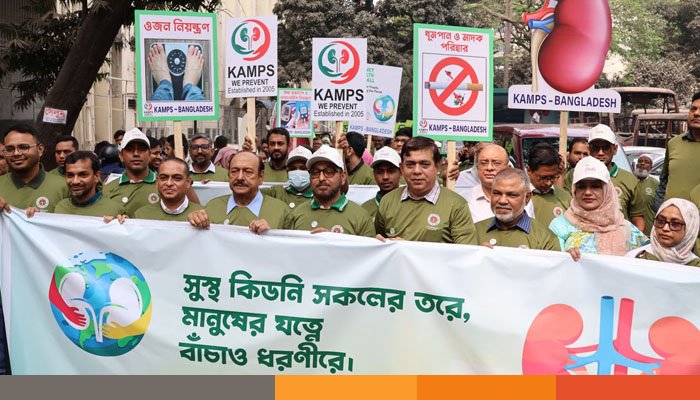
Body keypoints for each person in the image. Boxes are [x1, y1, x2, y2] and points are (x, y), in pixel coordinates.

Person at [375, 137, 477, 244]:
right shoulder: (387, 202)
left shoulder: (456, 205)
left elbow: (467, 251)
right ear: (401, 168)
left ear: (437, 167)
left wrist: (408, 249)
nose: (417, 171)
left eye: (424, 165)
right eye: (410, 165)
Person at [549, 157, 648, 261]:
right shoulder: (559, 227)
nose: (587, 192)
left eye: (595, 186)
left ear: (607, 190)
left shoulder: (625, 227)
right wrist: (564, 258)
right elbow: (551, 263)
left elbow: (646, 261)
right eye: (581, 187)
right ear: (574, 190)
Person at [284, 145, 375, 237]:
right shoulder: (296, 214)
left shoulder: (361, 217)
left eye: (329, 171)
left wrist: (333, 241)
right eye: (315, 172)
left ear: (343, 177)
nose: (321, 178)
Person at [189, 151, 288, 229]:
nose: (240, 177)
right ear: (228, 174)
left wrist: (270, 235)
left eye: (248, 172)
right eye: (234, 171)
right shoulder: (213, 207)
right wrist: (195, 220)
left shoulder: (280, 211)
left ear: (261, 177)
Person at [476, 168, 560, 251]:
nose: (502, 201)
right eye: (497, 193)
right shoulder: (475, 232)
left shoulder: (545, 238)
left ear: (527, 198)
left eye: (511, 195)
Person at [0, 124, 68, 213]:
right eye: (9, 149)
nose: (16, 153)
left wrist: (41, 218)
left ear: (40, 149)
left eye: (23, 147)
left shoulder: (64, 186)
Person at [463, 144, 534, 223]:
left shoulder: (522, 198)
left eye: (496, 163)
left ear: (508, 168)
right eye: (484, 163)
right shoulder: (464, 199)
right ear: (477, 167)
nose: (489, 168)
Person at [654, 91, 700, 210]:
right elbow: (664, 180)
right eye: (693, 109)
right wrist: (659, 208)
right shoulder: (674, 143)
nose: (696, 113)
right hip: (671, 218)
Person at [102, 128, 160, 217]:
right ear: (121, 155)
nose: (136, 154)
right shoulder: (109, 189)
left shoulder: (163, 186)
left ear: (149, 155)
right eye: (129, 149)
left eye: (141, 149)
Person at [627, 198, 700, 266]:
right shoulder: (633, 258)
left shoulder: (696, 267)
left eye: (675, 224)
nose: (665, 228)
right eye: (660, 221)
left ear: (690, 228)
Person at [54, 151, 123, 217]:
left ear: (96, 176)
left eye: (83, 175)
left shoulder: (113, 210)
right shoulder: (61, 208)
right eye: (70, 175)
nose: (75, 181)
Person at [134, 158, 203, 221]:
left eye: (177, 178)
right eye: (163, 178)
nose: (169, 183)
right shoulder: (142, 215)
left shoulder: (202, 216)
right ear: (157, 182)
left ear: (188, 182)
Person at [527, 142, 572, 227]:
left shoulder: (565, 197)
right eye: (543, 178)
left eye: (552, 177)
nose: (548, 183)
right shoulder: (517, 197)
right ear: (529, 170)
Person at [263, 146, 313, 210]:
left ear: (312, 171)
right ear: (287, 172)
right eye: (293, 168)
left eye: (303, 168)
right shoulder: (277, 193)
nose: (297, 172)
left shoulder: (318, 197)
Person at [362, 146, 401, 219]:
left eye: (391, 171)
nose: (385, 177)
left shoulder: (410, 206)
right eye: (380, 172)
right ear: (374, 174)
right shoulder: (365, 210)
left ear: (401, 172)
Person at [632, 154, 659, 236]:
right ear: (636, 165)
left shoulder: (655, 183)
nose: (642, 163)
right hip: (630, 228)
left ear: (651, 167)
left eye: (646, 162)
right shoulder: (629, 180)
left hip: (649, 229)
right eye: (640, 161)